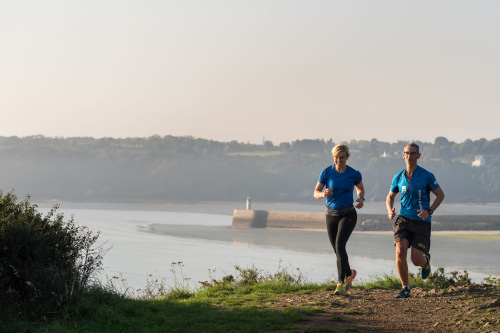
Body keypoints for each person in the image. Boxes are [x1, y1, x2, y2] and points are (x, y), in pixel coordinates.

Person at [386, 143, 445, 298]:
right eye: (407, 153)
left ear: (418, 156)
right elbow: (390, 196)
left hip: (421, 222)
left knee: (416, 259)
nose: (410, 156)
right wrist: (390, 209)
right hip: (403, 220)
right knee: (400, 251)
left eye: (413, 153)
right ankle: (405, 287)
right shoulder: (398, 177)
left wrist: (429, 211)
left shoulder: (427, 175)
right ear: (403, 155)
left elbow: (440, 195)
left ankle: (425, 263)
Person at [314, 144, 365, 295]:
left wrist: (361, 199)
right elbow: (315, 192)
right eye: (336, 157)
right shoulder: (327, 172)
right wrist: (323, 194)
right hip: (330, 215)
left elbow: (360, 188)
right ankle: (349, 273)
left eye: (342, 157)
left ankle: (341, 282)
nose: (339, 160)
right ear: (333, 157)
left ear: (347, 157)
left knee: (340, 245)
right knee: (337, 249)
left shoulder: (353, 173)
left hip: (348, 214)